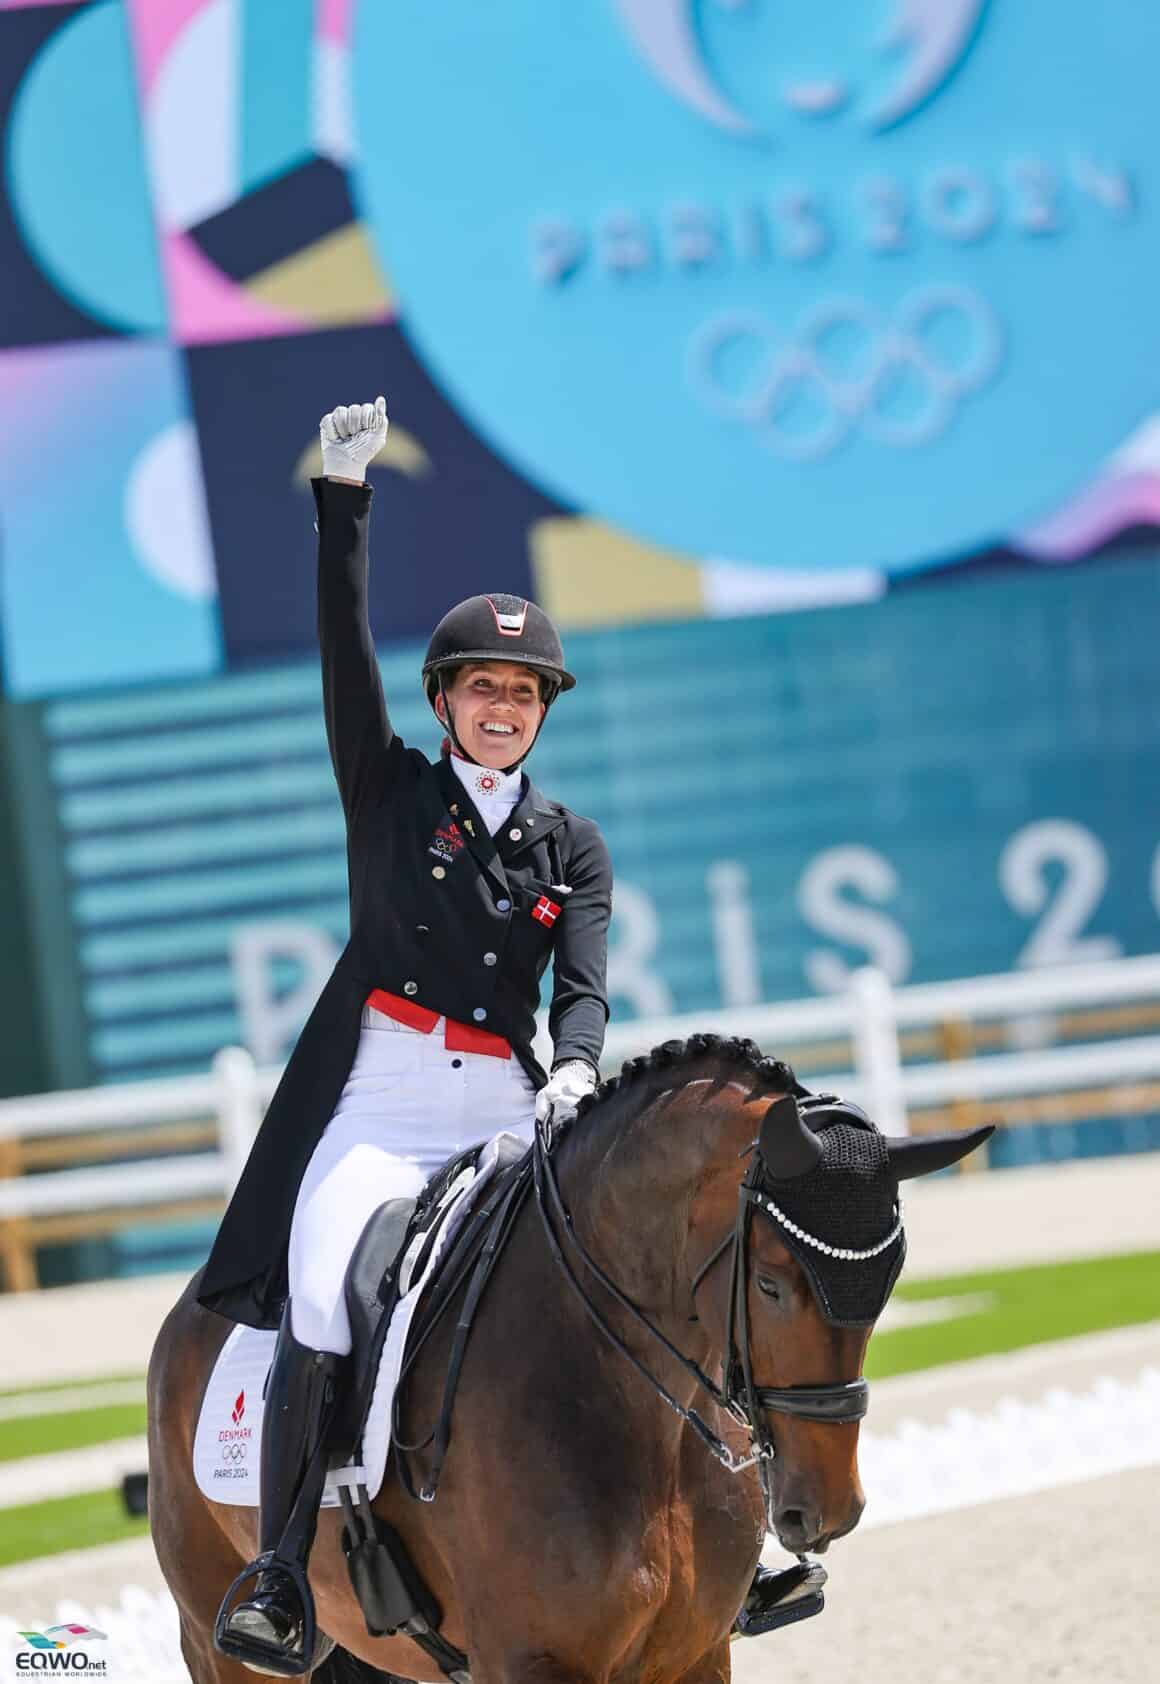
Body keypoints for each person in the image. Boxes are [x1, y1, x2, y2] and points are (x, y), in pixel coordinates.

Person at [204, 399, 818, 1674]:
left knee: (659, 1271)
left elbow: (578, 986)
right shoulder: (386, 790)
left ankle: (736, 1535)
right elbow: (338, 646)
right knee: (323, 1283)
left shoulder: (569, 845)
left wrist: (579, 1065)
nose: (502, 706)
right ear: (444, 701)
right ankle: (274, 1568)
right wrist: (345, 493)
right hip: (377, 1101)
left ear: (542, 711)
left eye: (522, 690)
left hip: (503, 1101)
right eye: (482, 686)